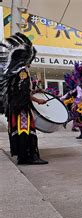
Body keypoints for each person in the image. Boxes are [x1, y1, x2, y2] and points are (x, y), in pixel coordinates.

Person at [0, 33, 48, 164]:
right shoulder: (22, 72)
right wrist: (38, 100)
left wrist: (35, 90)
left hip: (15, 107)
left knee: (21, 130)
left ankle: (23, 155)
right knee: (25, 131)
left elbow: (20, 90)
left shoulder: (14, 72)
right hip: (22, 108)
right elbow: (22, 93)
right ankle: (27, 157)